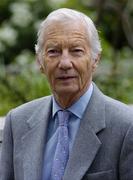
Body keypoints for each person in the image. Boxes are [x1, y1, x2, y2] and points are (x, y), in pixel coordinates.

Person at [0, 8, 133, 180]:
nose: (64, 63)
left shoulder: (126, 126)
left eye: (76, 50)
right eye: (53, 51)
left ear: (95, 60)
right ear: (40, 61)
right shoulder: (17, 122)